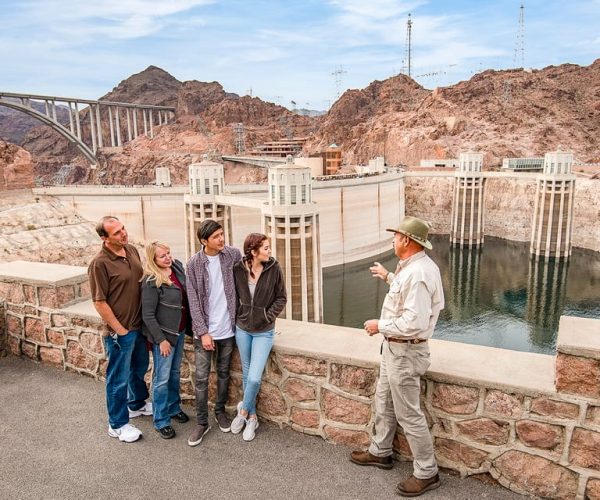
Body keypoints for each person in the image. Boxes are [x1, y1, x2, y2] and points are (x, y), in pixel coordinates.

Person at [350, 215, 445, 497]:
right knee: (385, 401)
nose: (392, 240)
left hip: (405, 350)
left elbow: (414, 321)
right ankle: (381, 452)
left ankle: (427, 472)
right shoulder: (413, 268)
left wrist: (380, 326)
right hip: (394, 349)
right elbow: (406, 296)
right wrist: (388, 276)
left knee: (409, 414)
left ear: (406, 240)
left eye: (395, 236)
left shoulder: (419, 274)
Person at [88, 216, 151, 443]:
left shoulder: (131, 250)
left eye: (123, 228)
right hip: (120, 332)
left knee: (139, 368)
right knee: (117, 379)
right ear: (105, 238)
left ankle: (137, 404)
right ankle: (117, 424)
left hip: (138, 326)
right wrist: (120, 330)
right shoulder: (99, 263)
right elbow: (99, 302)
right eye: (116, 233)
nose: (123, 233)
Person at [186, 219, 242, 447]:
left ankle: (220, 412)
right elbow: (193, 300)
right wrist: (202, 332)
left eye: (222, 234)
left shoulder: (232, 255)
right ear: (204, 240)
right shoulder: (194, 264)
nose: (222, 239)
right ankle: (201, 422)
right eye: (217, 236)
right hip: (206, 331)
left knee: (223, 372)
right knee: (201, 378)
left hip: (228, 329)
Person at [230, 233, 287, 441]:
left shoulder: (274, 269)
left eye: (269, 247)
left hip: (264, 331)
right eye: (265, 248)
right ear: (253, 252)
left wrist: (266, 316)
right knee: (246, 375)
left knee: (254, 377)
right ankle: (253, 417)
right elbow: (233, 294)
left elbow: (282, 298)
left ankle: (243, 411)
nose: (269, 251)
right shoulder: (238, 268)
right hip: (243, 328)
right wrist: (239, 314)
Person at [141, 241, 191, 439]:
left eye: (168, 253)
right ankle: (161, 420)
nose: (167, 257)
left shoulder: (176, 268)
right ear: (153, 260)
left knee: (175, 373)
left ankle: (173, 407)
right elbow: (148, 315)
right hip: (164, 338)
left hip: (179, 332)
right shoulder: (151, 281)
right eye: (162, 256)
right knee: (161, 379)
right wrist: (161, 340)